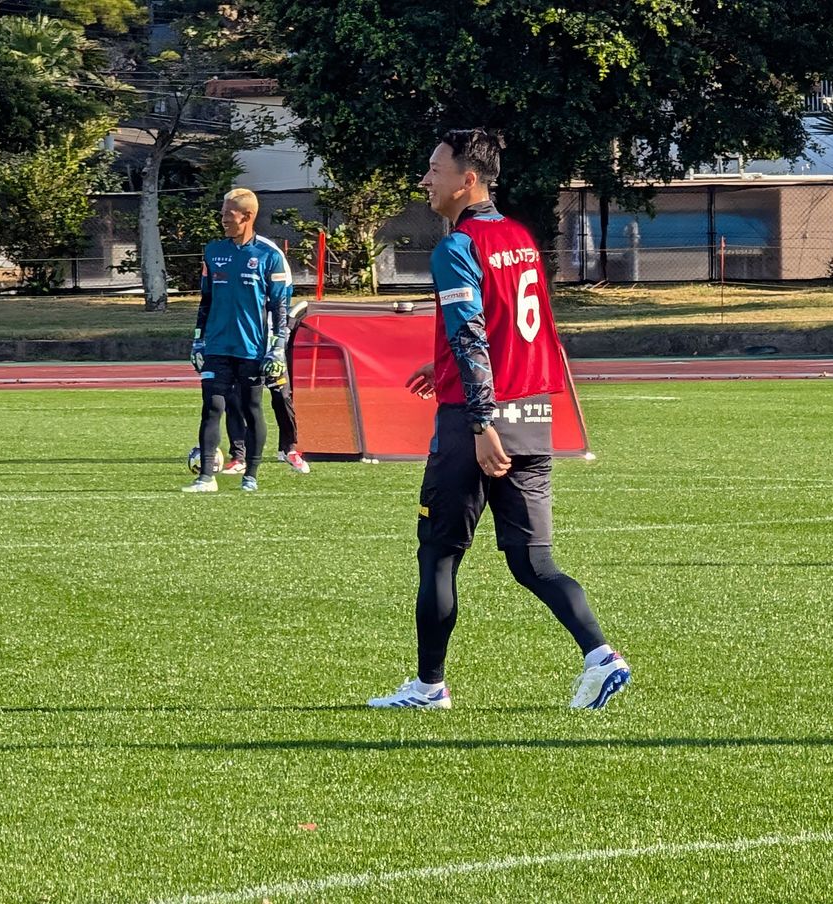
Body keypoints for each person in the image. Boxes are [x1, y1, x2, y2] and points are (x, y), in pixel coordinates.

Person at [367, 129, 630, 710]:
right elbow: (508, 325)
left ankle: (429, 687)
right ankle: (600, 656)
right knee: (533, 561)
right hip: (534, 412)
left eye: (435, 169)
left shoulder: (456, 247)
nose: (426, 179)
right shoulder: (519, 237)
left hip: (477, 422)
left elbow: (470, 332)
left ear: (468, 179)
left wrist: (481, 421)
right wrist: (446, 369)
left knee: (438, 552)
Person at [183, 187, 291, 493]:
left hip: (252, 348)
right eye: (221, 214)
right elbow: (205, 301)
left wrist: (278, 347)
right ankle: (205, 477)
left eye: (227, 215)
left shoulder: (269, 257)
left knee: (251, 408)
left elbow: (279, 306)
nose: (222, 220)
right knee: (212, 407)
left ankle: (251, 476)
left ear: (248, 216)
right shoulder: (213, 252)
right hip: (217, 346)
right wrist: (198, 340)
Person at [222, 295, 312, 475]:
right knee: (236, 400)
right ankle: (239, 456)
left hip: (273, 351)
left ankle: (289, 449)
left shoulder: (276, 281)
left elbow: (284, 311)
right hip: (247, 351)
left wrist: (279, 345)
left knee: (283, 398)